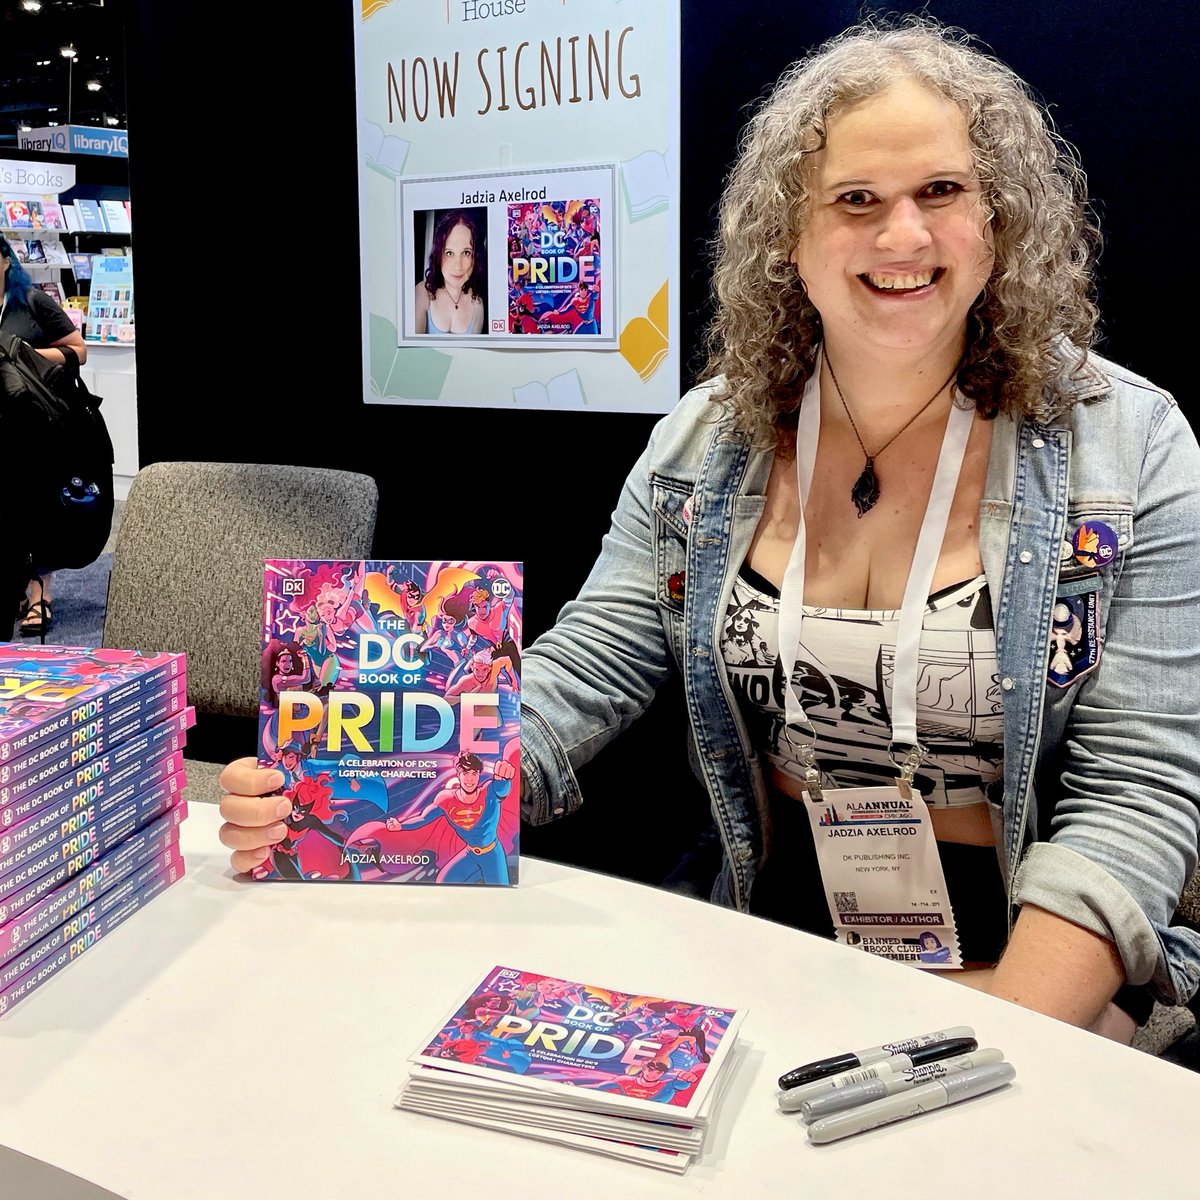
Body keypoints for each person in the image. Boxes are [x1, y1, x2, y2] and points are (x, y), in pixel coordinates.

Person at [219, 18, 1200, 1042]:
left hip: (1031, 961)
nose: (902, 237)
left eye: (941, 193)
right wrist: (360, 785)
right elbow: (587, 670)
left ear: (1001, 215)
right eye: (855, 200)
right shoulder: (711, 436)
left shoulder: (1127, 444)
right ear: (791, 237)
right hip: (769, 935)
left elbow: (1136, 791)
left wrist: (1012, 1031)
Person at [1, 234, 89, 636]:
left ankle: (41, 594)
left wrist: (23, 353)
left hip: (36, 422)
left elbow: (78, 349)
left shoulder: (32, 302)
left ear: (5, 262)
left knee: (38, 504)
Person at [413, 209, 486, 336]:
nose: (458, 266)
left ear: (475, 257)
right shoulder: (422, 293)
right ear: (438, 255)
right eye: (449, 253)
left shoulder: (477, 305)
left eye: (466, 253)